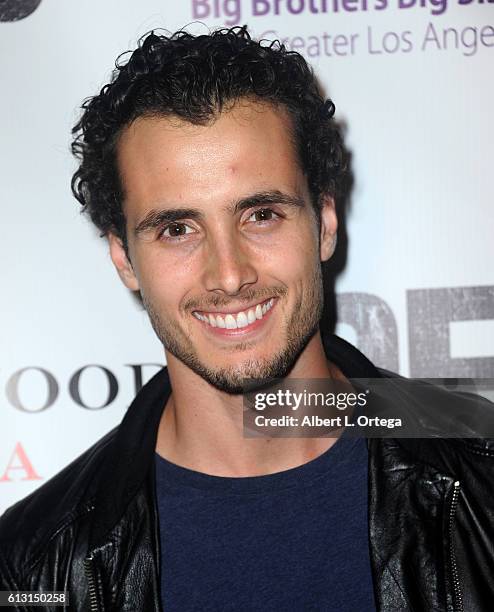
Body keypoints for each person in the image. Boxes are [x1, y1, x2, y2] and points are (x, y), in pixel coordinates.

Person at [1, 26, 493, 612]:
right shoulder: (34, 564)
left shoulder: (483, 469)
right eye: (177, 229)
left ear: (325, 223)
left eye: (261, 214)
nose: (229, 275)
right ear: (124, 259)